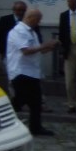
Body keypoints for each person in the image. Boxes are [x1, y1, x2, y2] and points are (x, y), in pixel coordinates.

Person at [6, 8, 59, 136]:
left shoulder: (32, 32)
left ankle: (35, 128)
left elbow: (38, 50)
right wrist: (45, 45)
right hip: (21, 72)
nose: (39, 23)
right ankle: (4, 120)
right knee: (21, 100)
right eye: (38, 20)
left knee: (35, 102)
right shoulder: (18, 31)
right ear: (31, 18)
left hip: (32, 72)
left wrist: (50, 47)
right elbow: (26, 51)